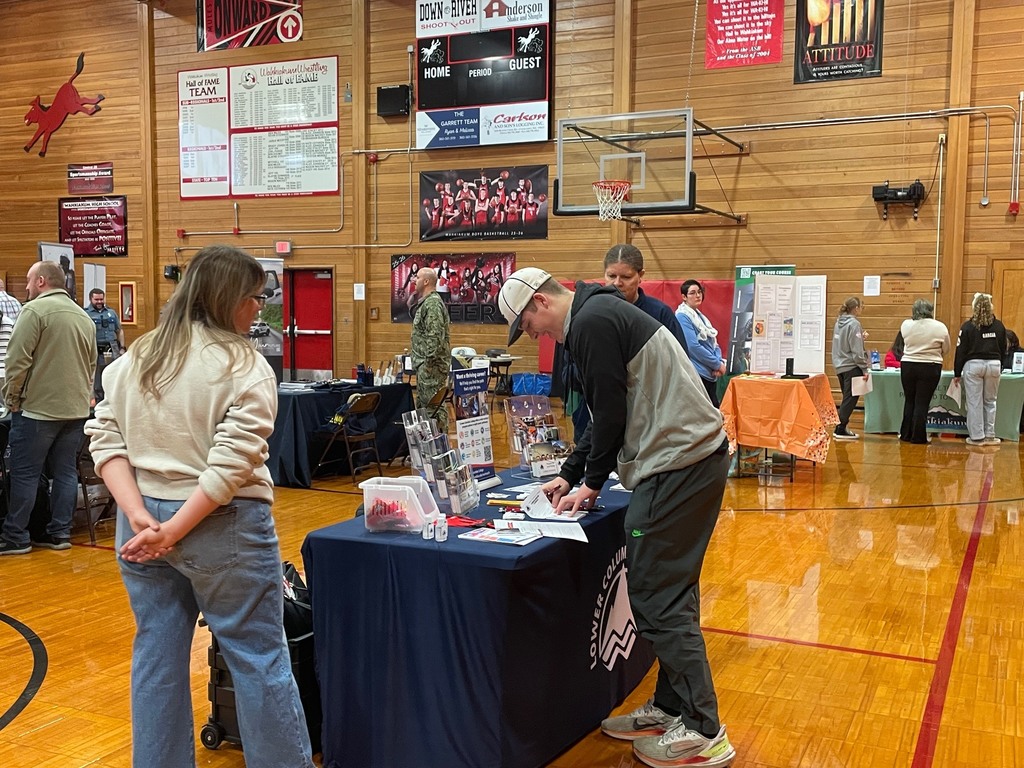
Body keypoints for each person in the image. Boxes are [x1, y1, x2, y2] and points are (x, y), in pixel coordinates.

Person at [84, 245, 315, 767]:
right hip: (221, 523)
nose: (260, 308)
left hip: (139, 520)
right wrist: (173, 528)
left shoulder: (135, 358)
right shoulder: (243, 365)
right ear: (228, 298)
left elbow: (105, 438)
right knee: (259, 659)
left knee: (157, 658)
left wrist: (142, 515)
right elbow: (231, 466)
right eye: (255, 298)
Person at [498, 268, 735, 768]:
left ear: (540, 302)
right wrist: (570, 473)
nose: (535, 335)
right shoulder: (596, 313)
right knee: (670, 593)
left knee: (654, 595)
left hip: (681, 465)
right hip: (685, 460)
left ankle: (704, 730)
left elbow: (609, 413)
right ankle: (675, 708)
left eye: (529, 324)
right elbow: (606, 413)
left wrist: (591, 482)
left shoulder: (590, 322)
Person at [1, 260, 96, 555]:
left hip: (38, 410)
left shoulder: (34, 311)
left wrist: (11, 399)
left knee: (25, 473)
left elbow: (17, 362)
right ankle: (59, 533)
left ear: (41, 281)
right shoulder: (84, 317)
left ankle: (16, 535)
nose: (27, 288)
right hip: (76, 410)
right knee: (66, 473)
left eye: (29, 281)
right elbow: (91, 366)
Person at [564, 244, 691, 440]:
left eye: (626, 277)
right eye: (611, 276)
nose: (617, 283)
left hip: (647, 422)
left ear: (641, 275)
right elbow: (568, 372)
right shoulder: (586, 316)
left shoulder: (660, 313)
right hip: (595, 419)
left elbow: (680, 366)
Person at [953, 292, 1007, 446]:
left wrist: (957, 373)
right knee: (991, 401)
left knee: (974, 402)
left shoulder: (968, 326)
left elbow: (961, 350)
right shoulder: (999, 326)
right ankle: (990, 435)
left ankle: (977, 437)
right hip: (994, 365)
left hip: (974, 365)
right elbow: (1004, 348)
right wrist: (1001, 365)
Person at [898, 299, 950, 444]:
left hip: (908, 365)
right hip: (930, 365)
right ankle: (918, 436)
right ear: (930, 310)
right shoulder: (940, 327)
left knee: (909, 400)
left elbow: (904, 341)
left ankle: (905, 434)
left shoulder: (906, 324)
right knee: (922, 402)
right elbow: (946, 348)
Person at [410, 267, 451, 432]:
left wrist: (427, 363)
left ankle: (440, 448)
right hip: (426, 367)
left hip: (431, 368)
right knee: (427, 409)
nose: (414, 280)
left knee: (433, 409)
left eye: (417, 277)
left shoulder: (433, 303)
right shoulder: (427, 302)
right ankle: (431, 449)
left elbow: (434, 337)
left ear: (426, 281)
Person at [676, 279, 727, 406]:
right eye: (692, 293)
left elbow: (714, 342)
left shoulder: (700, 317)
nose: (697, 295)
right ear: (684, 297)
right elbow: (693, 347)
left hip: (709, 370)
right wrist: (717, 364)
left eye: (699, 292)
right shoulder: (682, 316)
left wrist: (718, 361)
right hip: (697, 373)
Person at [831, 297, 870, 440]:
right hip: (852, 366)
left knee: (847, 398)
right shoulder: (854, 324)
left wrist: (860, 339)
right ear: (856, 308)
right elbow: (856, 351)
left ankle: (842, 427)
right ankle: (840, 428)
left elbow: (843, 343)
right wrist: (865, 368)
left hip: (840, 366)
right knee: (850, 399)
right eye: (861, 307)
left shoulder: (838, 322)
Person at [85, 288, 126, 398]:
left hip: (112, 348)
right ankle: (98, 401)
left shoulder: (111, 312)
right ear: (90, 299)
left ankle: (113, 399)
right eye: (96, 299)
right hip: (96, 348)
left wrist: (122, 347)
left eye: (101, 299)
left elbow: (119, 330)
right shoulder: (86, 314)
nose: (99, 302)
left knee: (114, 374)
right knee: (97, 378)